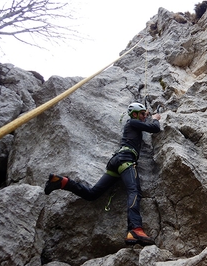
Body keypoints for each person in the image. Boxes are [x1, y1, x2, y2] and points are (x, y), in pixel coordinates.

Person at [44, 102, 161, 246]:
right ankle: (135, 230)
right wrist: (155, 118)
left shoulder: (133, 124)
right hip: (126, 160)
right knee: (134, 191)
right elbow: (155, 128)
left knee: (92, 194)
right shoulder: (133, 122)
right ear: (135, 114)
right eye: (142, 114)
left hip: (116, 162)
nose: (145, 116)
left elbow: (144, 123)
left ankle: (62, 182)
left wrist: (147, 116)